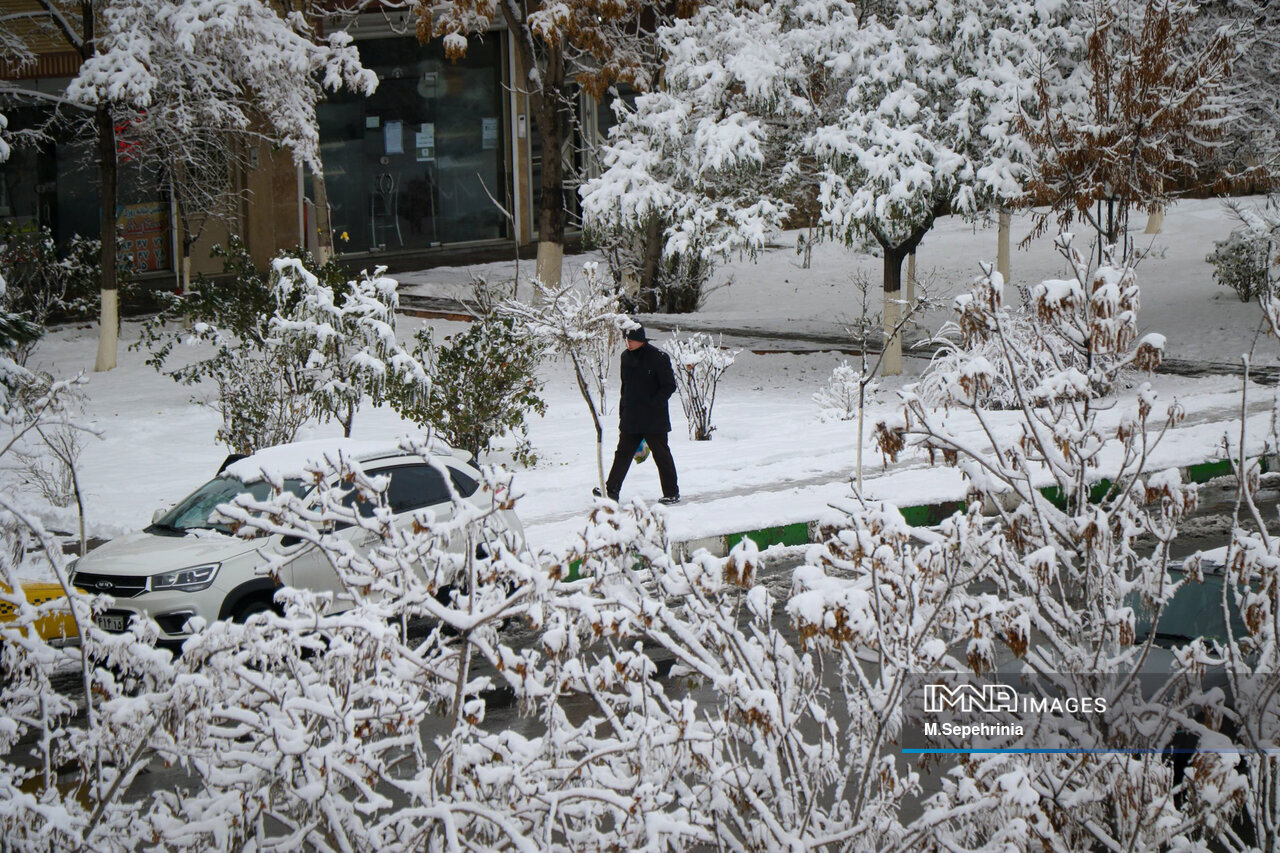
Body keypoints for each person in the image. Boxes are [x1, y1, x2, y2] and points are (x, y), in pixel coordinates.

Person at [593, 324, 681, 504]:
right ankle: (611, 491)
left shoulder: (658, 357)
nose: (628, 343)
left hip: (654, 418)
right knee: (623, 453)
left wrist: (654, 403)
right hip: (631, 417)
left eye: (631, 340)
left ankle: (671, 492)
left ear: (641, 339)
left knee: (661, 454)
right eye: (626, 340)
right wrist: (622, 411)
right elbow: (625, 388)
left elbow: (669, 385)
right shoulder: (625, 357)